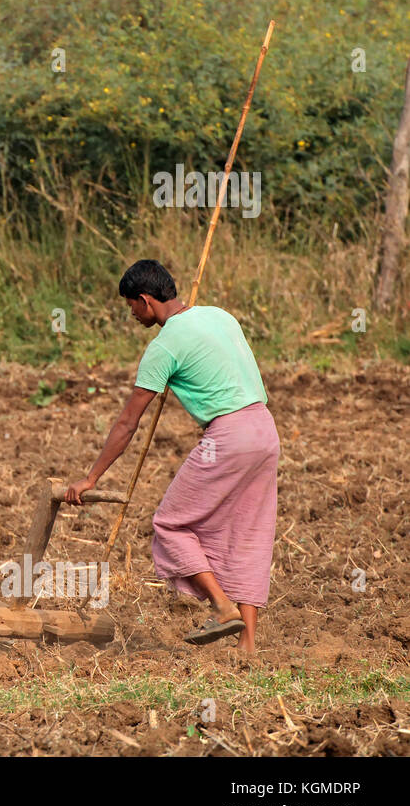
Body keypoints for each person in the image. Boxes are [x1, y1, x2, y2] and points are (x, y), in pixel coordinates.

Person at [64, 260, 279, 653]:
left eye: (131, 306)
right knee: (250, 533)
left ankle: (221, 606)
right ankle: (248, 648)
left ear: (146, 301)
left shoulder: (162, 347)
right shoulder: (220, 316)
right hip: (265, 430)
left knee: (169, 524)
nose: (131, 314)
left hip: (227, 438)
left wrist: (91, 477)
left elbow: (128, 422)